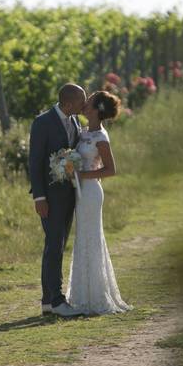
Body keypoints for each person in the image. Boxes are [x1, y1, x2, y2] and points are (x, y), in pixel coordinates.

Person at [65, 91, 132, 315]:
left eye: (89, 101)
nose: (84, 104)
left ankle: (95, 296)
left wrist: (82, 175)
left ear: (96, 109)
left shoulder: (101, 137)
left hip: (91, 193)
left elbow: (110, 170)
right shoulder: (84, 132)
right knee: (82, 237)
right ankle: (81, 294)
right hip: (80, 191)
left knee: (91, 238)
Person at [28, 83, 87, 317]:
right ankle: (57, 299)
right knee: (54, 245)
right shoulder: (42, 122)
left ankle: (47, 301)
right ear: (68, 103)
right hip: (50, 197)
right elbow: (35, 161)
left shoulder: (75, 121)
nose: (84, 106)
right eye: (81, 102)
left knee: (58, 245)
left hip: (69, 195)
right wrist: (40, 197)